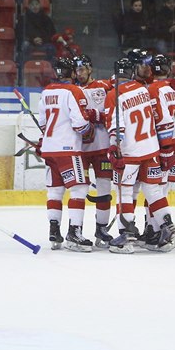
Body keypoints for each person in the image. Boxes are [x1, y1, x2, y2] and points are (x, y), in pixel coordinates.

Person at [103, 51, 175, 253]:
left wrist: (114, 148)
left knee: (125, 193)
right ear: (131, 71)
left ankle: (126, 238)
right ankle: (169, 229)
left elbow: (116, 126)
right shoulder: (144, 89)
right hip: (151, 150)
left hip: (129, 153)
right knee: (153, 191)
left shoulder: (113, 94)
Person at [36, 57, 97, 252]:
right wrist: (89, 131)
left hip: (50, 149)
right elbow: (79, 123)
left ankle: (54, 231)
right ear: (72, 73)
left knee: (55, 191)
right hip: (68, 150)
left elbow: (43, 124)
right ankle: (74, 233)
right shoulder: (74, 90)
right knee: (79, 189)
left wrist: (45, 141)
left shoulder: (46, 92)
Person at [136, 53, 175, 245]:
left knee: (155, 188)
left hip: (165, 143)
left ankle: (160, 229)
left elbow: (164, 121)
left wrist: (165, 149)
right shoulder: (174, 88)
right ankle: (152, 229)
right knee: (160, 188)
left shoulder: (153, 89)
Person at [73, 55, 115, 247]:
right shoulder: (70, 91)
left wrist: (97, 115)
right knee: (79, 190)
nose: (79, 73)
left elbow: (116, 111)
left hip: (102, 147)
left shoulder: (105, 86)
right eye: (76, 70)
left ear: (90, 69)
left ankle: (102, 229)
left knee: (104, 189)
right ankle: (76, 230)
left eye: (82, 69)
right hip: (79, 148)